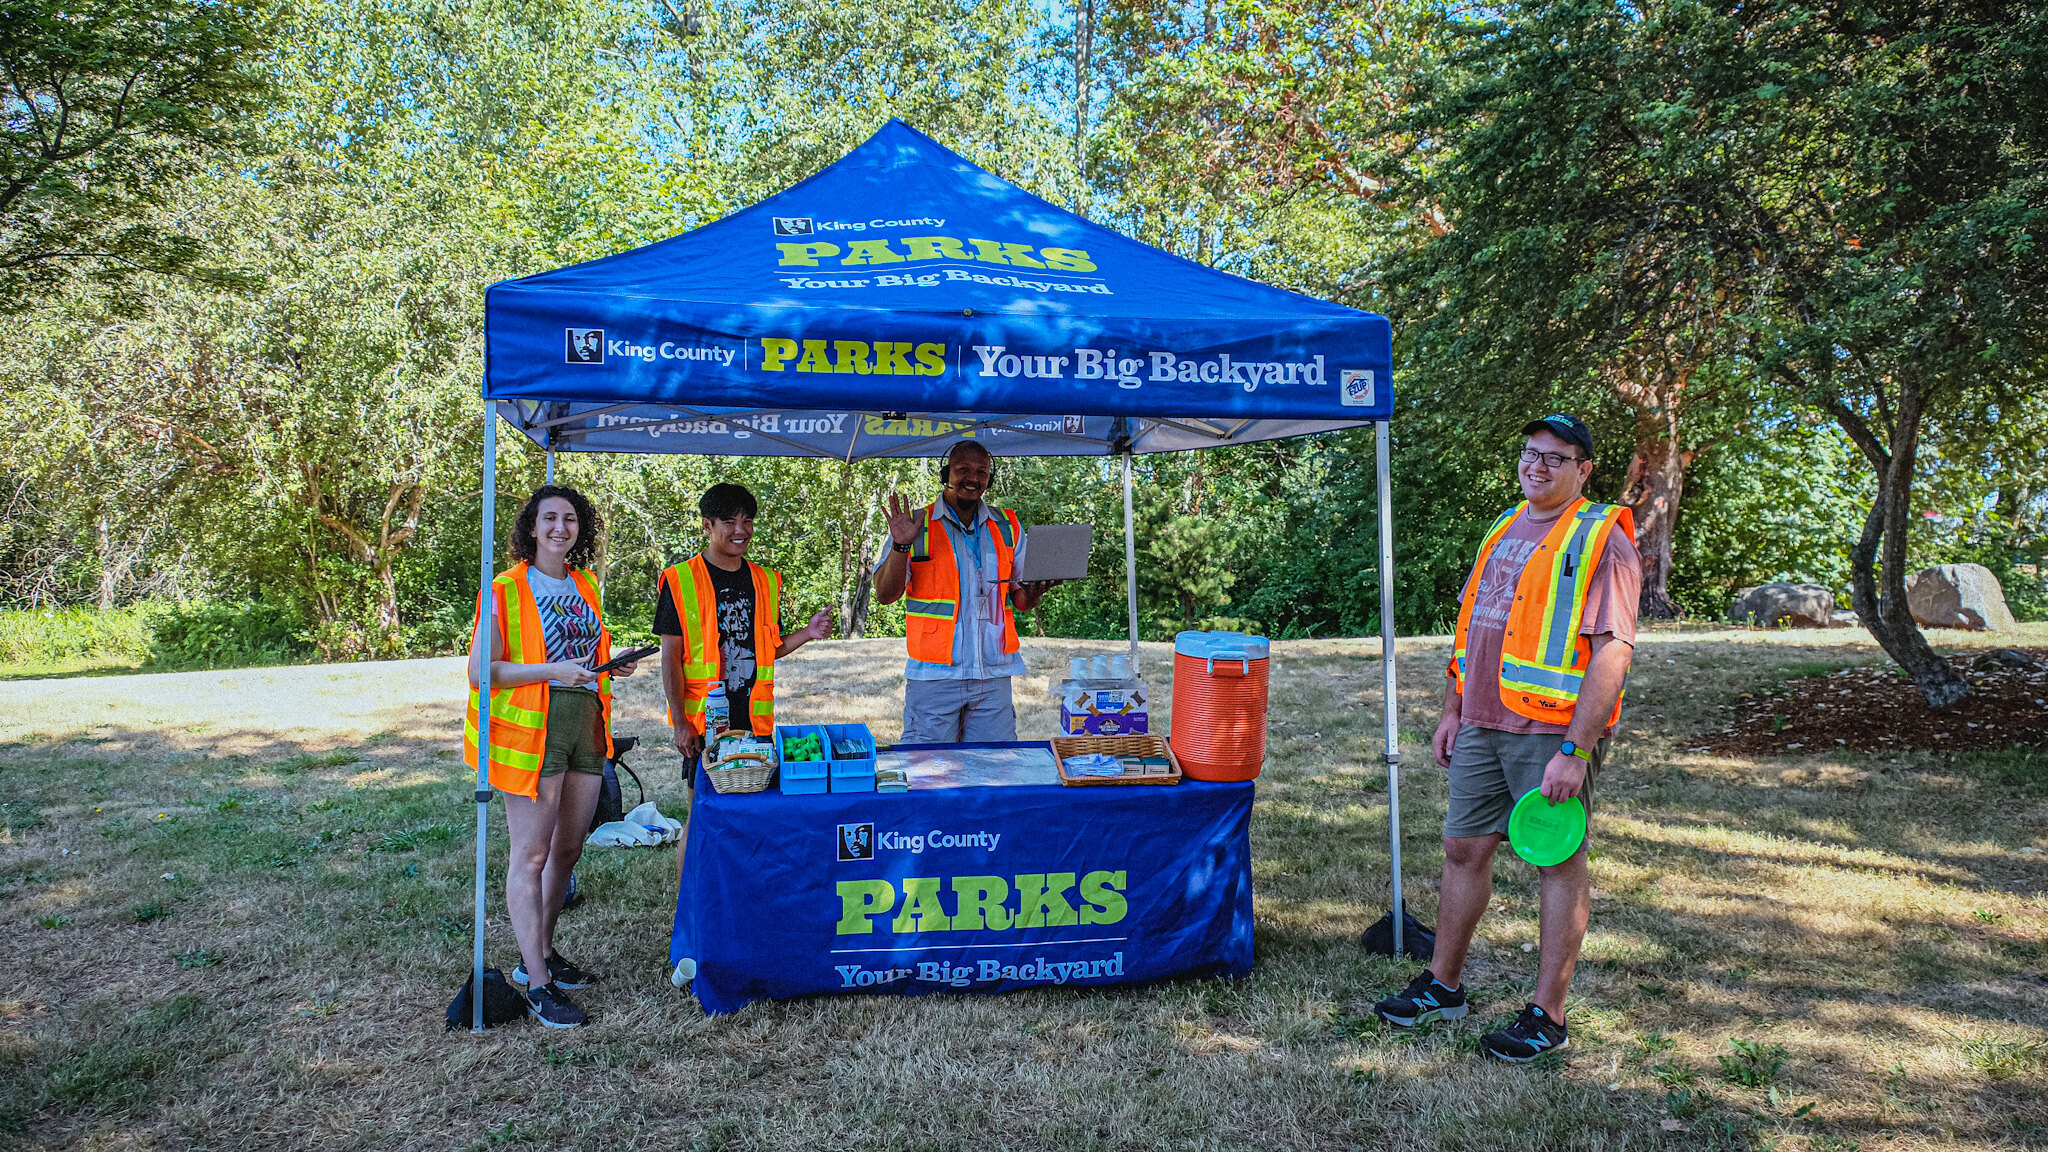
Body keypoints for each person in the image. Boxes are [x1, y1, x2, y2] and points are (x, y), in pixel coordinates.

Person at [1373, 413, 1640, 1061]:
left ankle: (1548, 1015)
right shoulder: (1504, 525)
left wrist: (1576, 750)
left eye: (1555, 457)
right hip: (1480, 723)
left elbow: (1612, 653)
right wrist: (1451, 710)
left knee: (1555, 861)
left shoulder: (1602, 538)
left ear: (1583, 469)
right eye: (1530, 453)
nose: (1537, 466)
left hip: (1551, 732)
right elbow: (1472, 629)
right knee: (1463, 849)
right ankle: (1444, 984)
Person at [466, 485, 641, 1030]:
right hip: (535, 733)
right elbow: (480, 671)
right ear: (532, 527)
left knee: (568, 851)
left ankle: (536, 957)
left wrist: (610, 663)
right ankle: (538, 984)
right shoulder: (504, 588)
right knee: (533, 856)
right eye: (549, 519)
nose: (560, 528)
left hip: (586, 725)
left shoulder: (585, 584)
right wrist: (552, 672)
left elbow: (582, 654)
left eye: (569, 519)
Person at [656, 483, 831, 878]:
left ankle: (740, 894)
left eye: (747, 520)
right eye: (729, 521)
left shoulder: (765, 580)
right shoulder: (680, 580)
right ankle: (692, 901)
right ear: (707, 525)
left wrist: (807, 632)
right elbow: (671, 657)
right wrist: (680, 720)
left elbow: (770, 647)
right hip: (705, 723)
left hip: (755, 721)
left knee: (753, 816)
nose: (741, 529)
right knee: (702, 814)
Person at [873, 440, 1059, 743]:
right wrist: (900, 545)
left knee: (995, 773)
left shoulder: (1008, 526)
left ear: (990, 479)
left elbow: (1021, 600)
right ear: (946, 473)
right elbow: (884, 594)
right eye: (963, 469)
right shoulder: (915, 524)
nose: (973, 478)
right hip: (934, 676)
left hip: (993, 672)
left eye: (982, 472)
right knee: (929, 775)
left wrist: (1038, 590)